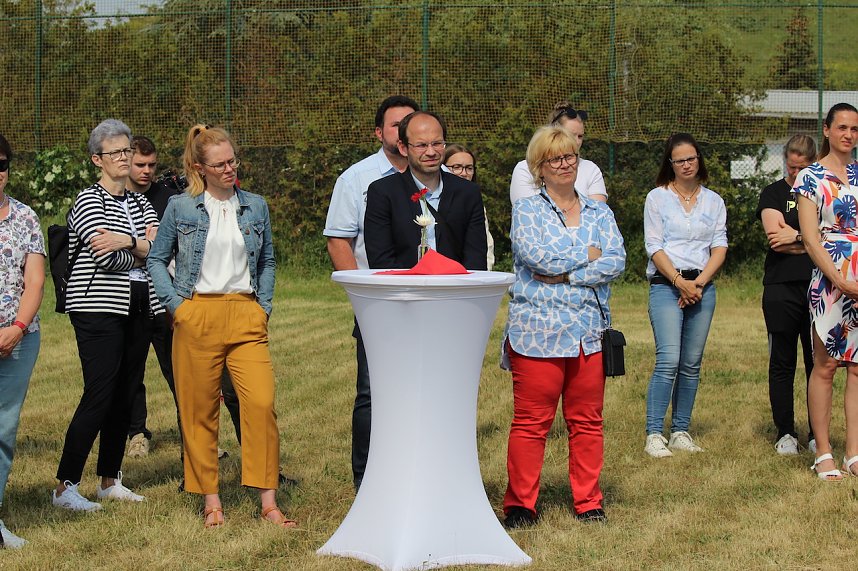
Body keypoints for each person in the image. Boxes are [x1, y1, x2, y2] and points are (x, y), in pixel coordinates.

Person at [147, 124, 295, 528]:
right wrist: (176, 307)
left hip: (246, 313)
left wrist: (263, 306)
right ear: (200, 168)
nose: (230, 168)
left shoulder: (255, 205)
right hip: (197, 314)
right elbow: (156, 259)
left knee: (261, 405)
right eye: (220, 164)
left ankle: (269, 502)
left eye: (233, 160)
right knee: (198, 411)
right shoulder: (181, 207)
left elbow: (266, 260)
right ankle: (211, 501)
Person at [502, 126, 625, 527]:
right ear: (539, 167)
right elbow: (535, 257)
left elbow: (617, 259)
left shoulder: (599, 211)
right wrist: (586, 255)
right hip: (538, 332)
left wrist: (569, 274)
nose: (565, 164)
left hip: (589, 332)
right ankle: (521, 504)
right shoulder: (527, 210)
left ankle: (589, 502)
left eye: (570, 156)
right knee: (531, 422)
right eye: (555, 159)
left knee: (588, 421)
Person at [53, 119, 158, 511]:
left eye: (128, 151)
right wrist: (141, 245)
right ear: (97, 159)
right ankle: (65, 486)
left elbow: (160, 246)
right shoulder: (87, 200)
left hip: (138, 303)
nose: (126, 158)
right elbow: (106, 257)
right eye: (117, 153)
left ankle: (110, 479)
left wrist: (130, 240)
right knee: (99, 392)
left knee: (126, 392)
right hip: (96, 306)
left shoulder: (140, 201)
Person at [323, 95, 419, 490]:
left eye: (408, 126)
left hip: (432, 301)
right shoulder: (357, 178)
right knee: (371, 390)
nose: (401, 133)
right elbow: (339, 241)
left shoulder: (436, 174)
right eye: (394, 126)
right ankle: (366, 480)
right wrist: (363, 298)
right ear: (379, 132)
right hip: (378, 302)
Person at [643, 133, 728, 459]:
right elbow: (654, 245)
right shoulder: (657, 198)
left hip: (702, 287)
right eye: (679, 160)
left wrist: (699, 284)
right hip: (667, 285)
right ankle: (654, 434)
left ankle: (680, 430)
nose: (686, 164)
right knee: (669, 359)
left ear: (699, 160)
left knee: (691, 364)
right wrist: (679, 282)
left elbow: (719, 246)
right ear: (670, 164)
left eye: (691, 158)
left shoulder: (714, 201)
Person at [795, 102, 858, 481]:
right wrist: (839, 279)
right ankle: (823, 451)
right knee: (826, 365)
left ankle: (854, 452)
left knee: (857, 368)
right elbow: (810, 237)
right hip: (830, 281)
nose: (849, 134)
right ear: (827, 129)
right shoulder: (810, 177)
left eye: (854, 129)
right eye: (842, 127)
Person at [364, 111, 488, 270]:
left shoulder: (467, 193)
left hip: (456, 290)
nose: (431, 152)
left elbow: (476, 259)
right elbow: (381, 261)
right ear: (403, 148)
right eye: (421, 145)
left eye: (437, 143)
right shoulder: (383, 193)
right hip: (403, 290)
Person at [756, 134, 817, 455]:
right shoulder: (773, 193)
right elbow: (775, 238)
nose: (794, 174)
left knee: (816, 363)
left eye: (801, 168)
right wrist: (810, 238)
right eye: (790, 167)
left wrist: (799, 235)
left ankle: (815, 433)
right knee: (782, 361)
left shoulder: (822, 193)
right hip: (780, 288)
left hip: (818, 287)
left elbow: (832, 237)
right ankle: (785, 432)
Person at [0, 134, 46, 547]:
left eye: (0, 164)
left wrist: (16, 327)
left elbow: (34, 281)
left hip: (18, 339)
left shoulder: (26, 218)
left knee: (3, 429)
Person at [125, 135, 181, 458]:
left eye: (151, 165)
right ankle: (137, 433)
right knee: (132, 371)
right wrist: (141, 244)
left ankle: (195, 433)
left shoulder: (169, 198)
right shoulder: (117, 199)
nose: (146, 171)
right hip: (129, 298)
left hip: (166, 300)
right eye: (140, 165)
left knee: (179, 371)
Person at [509, 102, 607, 204]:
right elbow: (527, 213)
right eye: (570, 135)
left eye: (580, 136)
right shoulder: (525, 169)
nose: (577, 141)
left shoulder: (591, 169)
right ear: (554, 132)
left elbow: (597, 213)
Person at [443, 143, 495, 270]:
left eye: (469, 168)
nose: (463, 173)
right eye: (456, 167)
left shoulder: (475, 203)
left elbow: (486, 245)